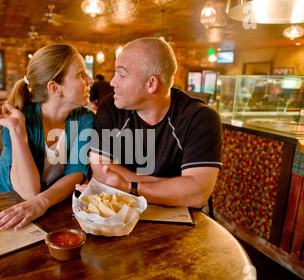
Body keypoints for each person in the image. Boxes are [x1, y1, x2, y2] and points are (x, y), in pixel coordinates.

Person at [88, 37, 222, 209]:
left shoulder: (200, 118)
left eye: (121, 75)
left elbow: (196, 194)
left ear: (151, 84)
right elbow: (100, 171)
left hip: (178, 222)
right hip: (120, 211)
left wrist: (128, 186)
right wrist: (174, 186)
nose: (113, 82)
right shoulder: (111, 107)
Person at [0, 43, 94, 230]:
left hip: (39, 209)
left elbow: (76, 172)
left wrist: (42, 203)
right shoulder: (20, 117)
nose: (90, 80)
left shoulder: (85, 118)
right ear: (55, 88)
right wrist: (18, 132)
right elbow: (29, 191)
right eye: (81, 74)